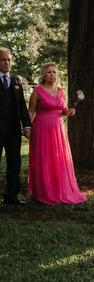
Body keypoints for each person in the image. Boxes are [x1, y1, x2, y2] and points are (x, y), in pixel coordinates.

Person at [27, 63, 86, 205]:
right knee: (45, 159)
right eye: (49, 72)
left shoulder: (60, 91)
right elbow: (31, 111)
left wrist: (70, 111)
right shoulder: (37, 91)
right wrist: (27, 127)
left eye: (54, 72)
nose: (52, 75)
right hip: (42, 129)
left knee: (59, 159)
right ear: (43, 75)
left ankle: (61, 190)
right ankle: (44, 192)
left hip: (58, 131)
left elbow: (63, 110)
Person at [0, 48, 31, 205]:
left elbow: (22, 107)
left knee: (14, 163)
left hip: (13, 131)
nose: (7, 63)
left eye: (9, 60)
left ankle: (11, 196)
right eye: (3, 60)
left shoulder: (16, 81)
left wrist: (27, 125)